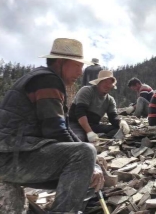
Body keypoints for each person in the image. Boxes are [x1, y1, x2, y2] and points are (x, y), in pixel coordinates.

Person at [0, 38, 104, 214]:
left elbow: (63, 127)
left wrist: (93, 162)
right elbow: (55, 129)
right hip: (9, 158)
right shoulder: (47, 80)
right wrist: (90, 160)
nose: (81, 71)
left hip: (16, 155)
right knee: (86, 154)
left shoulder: (46, 79)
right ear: (61, 62)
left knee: (90, 162)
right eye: (77, 65)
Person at [69, 70, 129, 142]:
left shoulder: (110, 100)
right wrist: (89, 132)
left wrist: (121, 121)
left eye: (110, 83)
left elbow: (113, 117)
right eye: (105, 82)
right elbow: (80, 112)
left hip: (93, 125)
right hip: (76, 124)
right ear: (99, 83)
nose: (108, 85)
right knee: (78, 139)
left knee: (118, 130)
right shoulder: (87, 90)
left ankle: (101, 141)